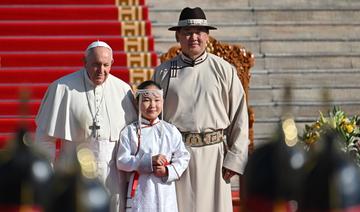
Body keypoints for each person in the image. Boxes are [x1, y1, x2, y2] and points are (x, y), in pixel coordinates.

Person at [153, 7, 249, 212]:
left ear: (207, 36)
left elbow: (240, 116)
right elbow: (154, 118)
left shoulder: (224, 70)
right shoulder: (163, 72)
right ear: (178, 36)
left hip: (214, 156)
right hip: (177, 155)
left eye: (199, 32)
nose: (193, 37)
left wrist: (234, 159)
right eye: (187, 32)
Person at [34, 40, 137, 212]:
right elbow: (45, 139)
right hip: (73, 173)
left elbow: (134, 139)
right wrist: (50, 176)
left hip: (112, 176)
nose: (101, 71)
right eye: (96, 65)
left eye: (105, 65)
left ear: (112, 63)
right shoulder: (62, 88)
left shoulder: (123, 90)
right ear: (84, 63)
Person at [116, 80, 190, 212]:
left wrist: (168, 171)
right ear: (136, 102)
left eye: (157, 100)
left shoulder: (170, 130)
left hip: (165, 191)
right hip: (141, 191)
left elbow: (183, 157)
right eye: (146, 100)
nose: (152, 105)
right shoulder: (130, 131)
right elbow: (122, 161)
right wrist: (148, 161)